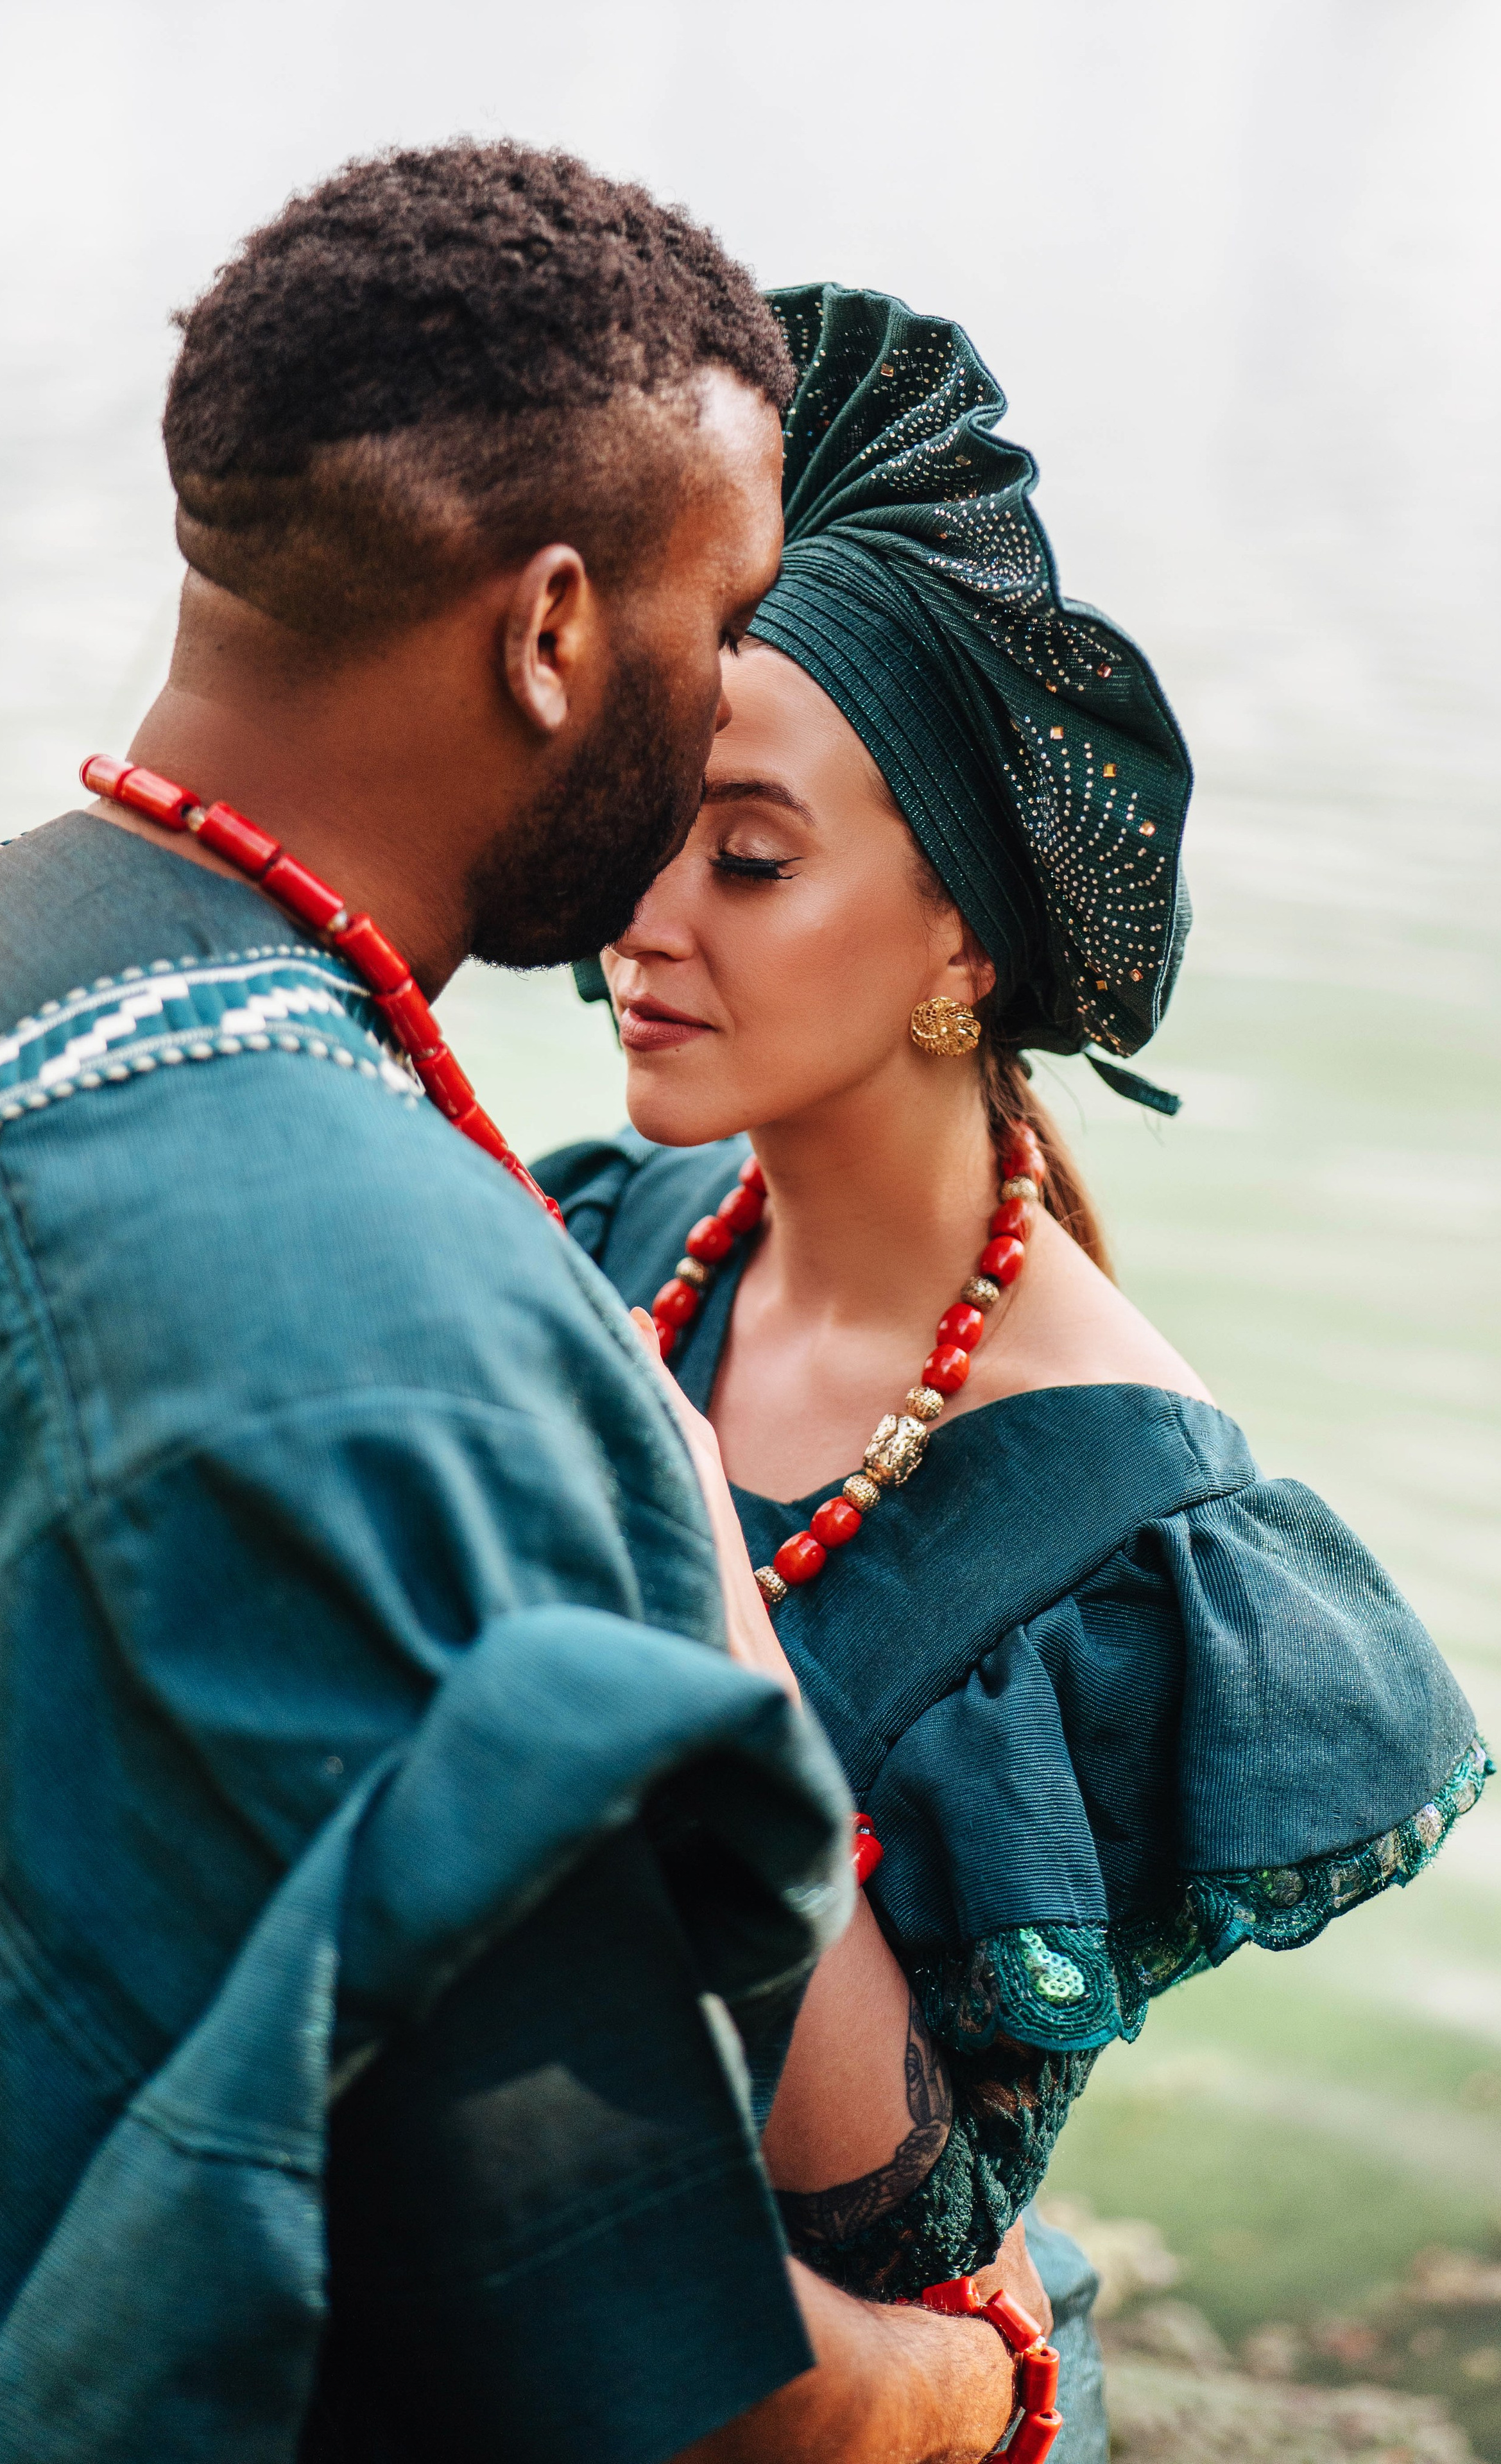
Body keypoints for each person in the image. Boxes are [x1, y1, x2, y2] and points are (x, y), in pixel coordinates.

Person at [0, 178, 1049, 2464]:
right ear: (555, 631)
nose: (721, 703)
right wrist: (990, 2378)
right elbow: (628, 2362)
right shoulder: (374, 1333)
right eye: (728, 618)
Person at [541, 281, 1491, 2464]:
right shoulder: (625, 1231)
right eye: (637, 819)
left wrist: (707, 1598)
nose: (642, 919)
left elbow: (910, 2235)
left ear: (966, 933)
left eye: (748, 856)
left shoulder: (1137, 1541)